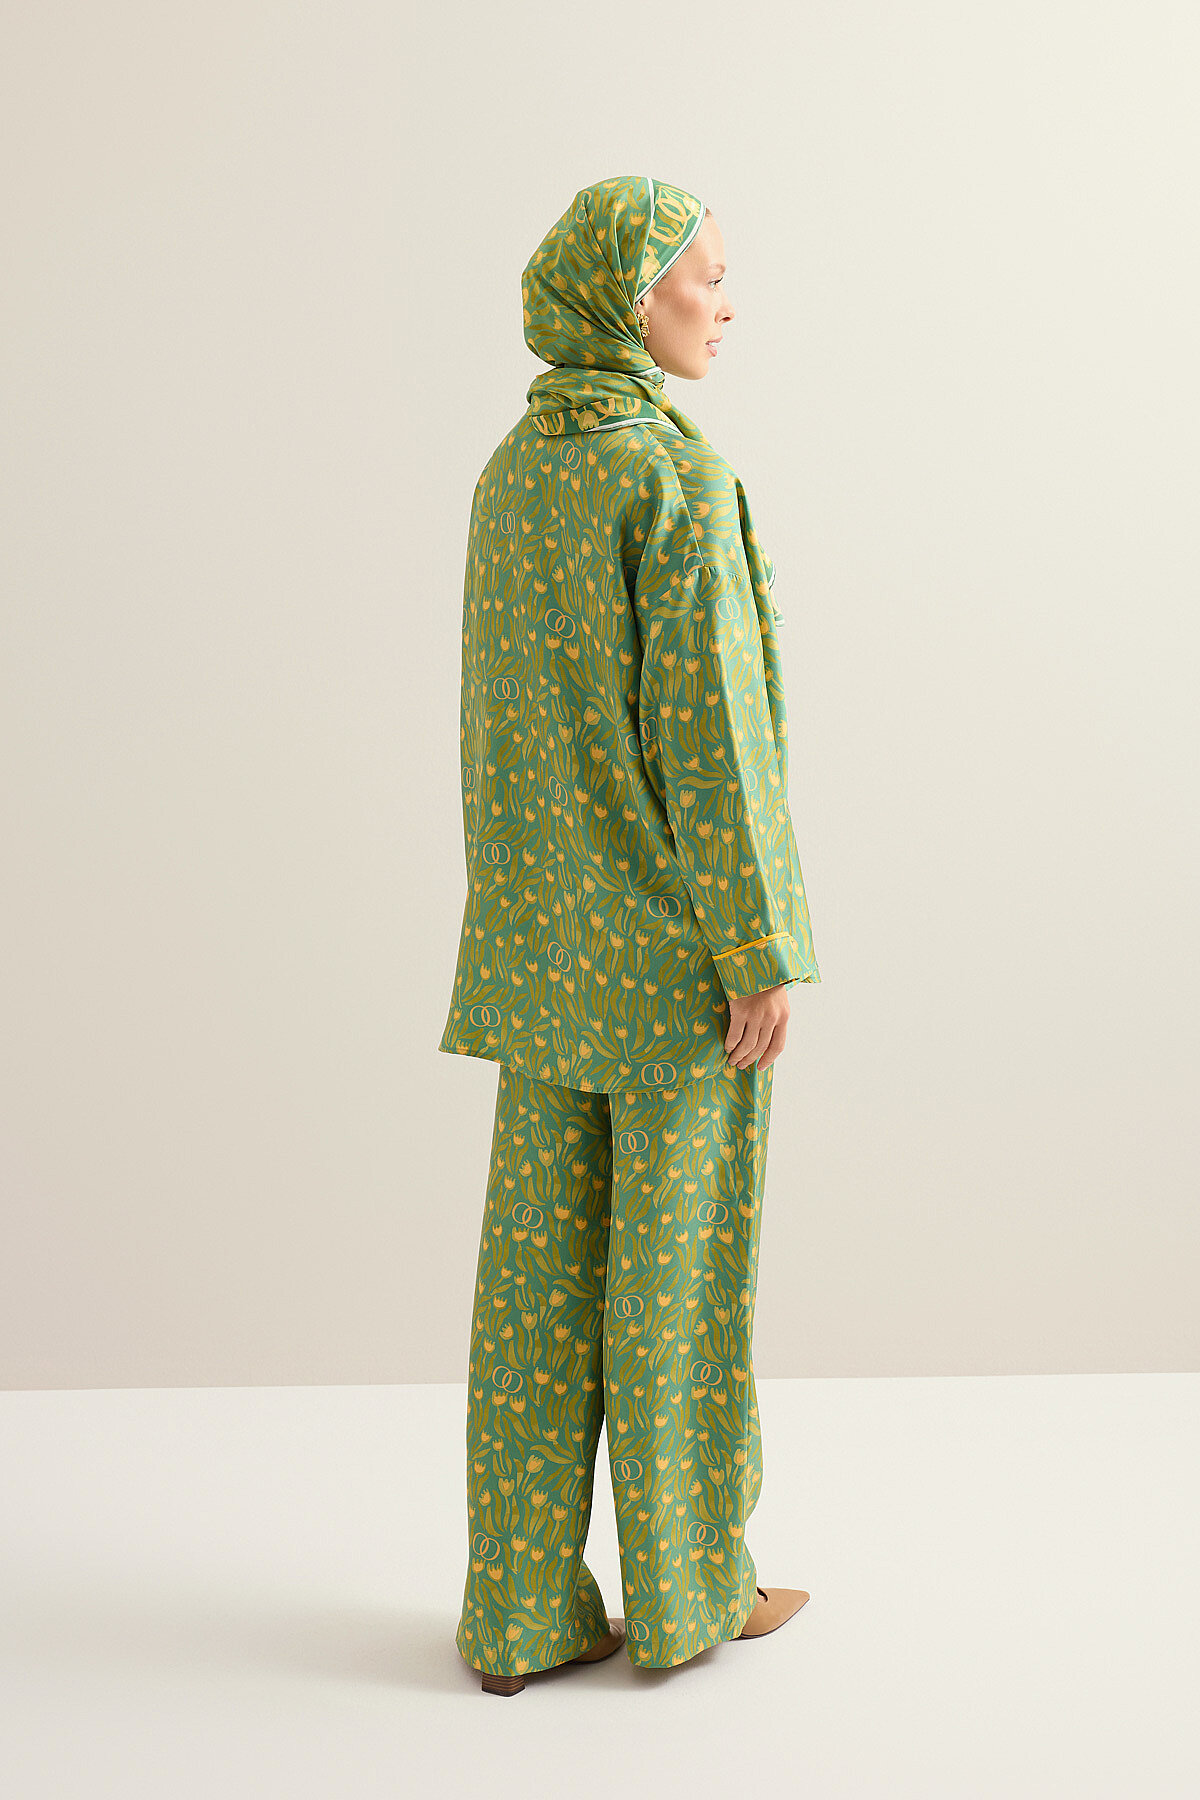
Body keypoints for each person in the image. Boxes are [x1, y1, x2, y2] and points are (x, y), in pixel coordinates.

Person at [438, 175, 821, 1696]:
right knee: (673, 1292)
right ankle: (685, 1594)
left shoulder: (509, 476)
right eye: (701, 278)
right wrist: (757, 947)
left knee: (534, 1302)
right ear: (626, 298)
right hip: (670, 972)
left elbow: (494, 729)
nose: (725, 303)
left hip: (539, 960)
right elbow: (713, 741)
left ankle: (518, 1614)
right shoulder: (671, 479)